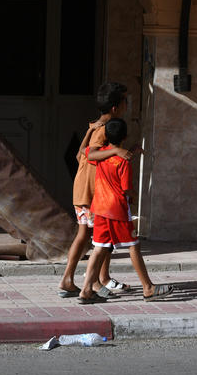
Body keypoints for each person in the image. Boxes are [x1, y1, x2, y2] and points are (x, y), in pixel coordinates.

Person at [78, 117, 174, 304]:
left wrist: (90, 132)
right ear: (126, 136)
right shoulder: (123, 162)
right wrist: (134, 195)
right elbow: (125, 188)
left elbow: (84, 152)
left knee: (98, 249)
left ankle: (86, 290)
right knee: (133, 245)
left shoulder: (102, 154)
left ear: (106, 136)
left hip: (100, 209)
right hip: (117, 210)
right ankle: (148, 288)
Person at [58, 82, 133, 298]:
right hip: (93, 192)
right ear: (115, 108)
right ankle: (96, 283)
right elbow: (90, 155)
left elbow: (80, 153)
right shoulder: (103, 129)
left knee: (86, 235)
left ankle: (71, 279)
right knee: (103, 237)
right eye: (125, 101)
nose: (127, 105)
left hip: (82, 189)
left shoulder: (95, 126)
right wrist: (117, 150)